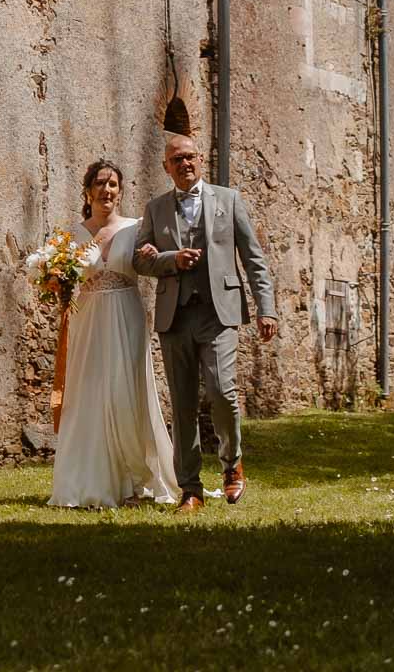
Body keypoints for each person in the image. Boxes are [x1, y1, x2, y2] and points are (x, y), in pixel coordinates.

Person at [133, 135, 277, 515]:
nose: (184, 164)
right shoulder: (155, 209)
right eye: (176, 159)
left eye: (189, 157)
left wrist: (267, 309)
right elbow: (140, 260)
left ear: (200, 159)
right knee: (182, 404)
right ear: (166, 167)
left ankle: (232, 464)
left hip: (219, 313)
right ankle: (191, 490)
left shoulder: (229, 200)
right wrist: (170, 259)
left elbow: (253, 259)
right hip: (175, 316)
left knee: (221, 390)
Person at [48, 159, 179, 509]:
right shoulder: (72, 236)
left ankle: (134, 478)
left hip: (126, 314)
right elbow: (62, 280)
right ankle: (87, 478)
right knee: (87, 391)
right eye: (100, 183)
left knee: (126, 390)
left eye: (113, 185)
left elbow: (153, 263)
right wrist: (55, 280)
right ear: (87, 190)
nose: (107, 190)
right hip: (88, 317)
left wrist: (154, 254)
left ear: (120, 192)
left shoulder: (136, 228)